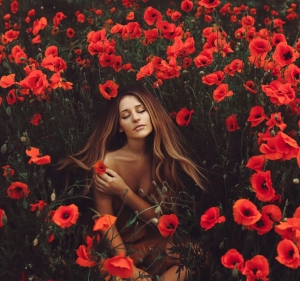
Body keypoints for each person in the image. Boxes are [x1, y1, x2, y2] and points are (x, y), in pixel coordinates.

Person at [57, 85, 207, 280]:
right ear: (119, 126)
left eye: (141, 110)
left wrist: (123, 191)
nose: (136, 118)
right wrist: (125, 263)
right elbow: (105, 224)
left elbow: (162, 221)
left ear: (152, 113)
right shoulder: (107, 163)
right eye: (126, 116)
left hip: (152, 243)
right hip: (116, 248)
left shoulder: (163, 160)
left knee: (199, 256)